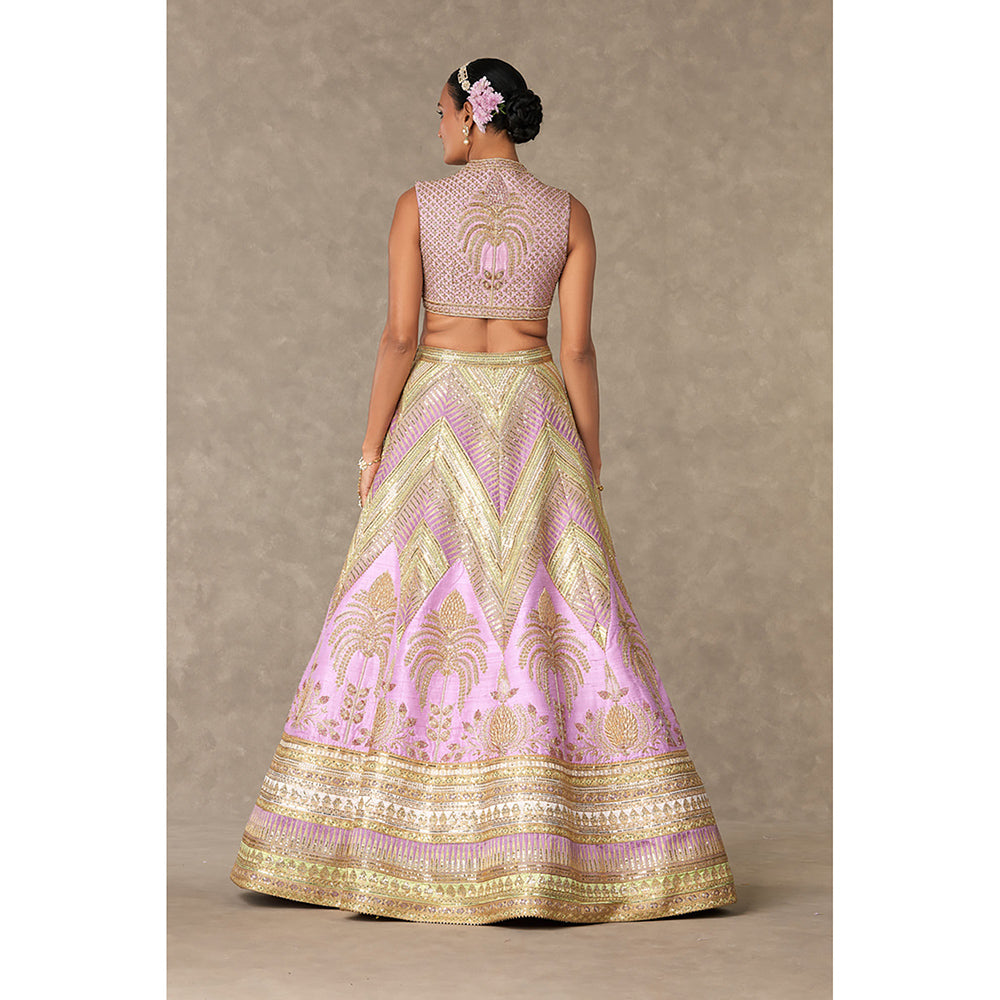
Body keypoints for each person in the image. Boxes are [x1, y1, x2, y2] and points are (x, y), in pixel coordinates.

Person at [230, 57, 737, 924]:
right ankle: (579, 843)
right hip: (536, 412)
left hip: (439, 412)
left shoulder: (418, 205)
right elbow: (577, 349)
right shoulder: (568, 213)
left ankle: (382, 838)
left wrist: (369, 446)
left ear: (472, 114)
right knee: (555, 612)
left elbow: (399, 337)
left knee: (413, 610)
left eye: (439, 112)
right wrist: (591, 456)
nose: (436, 128)